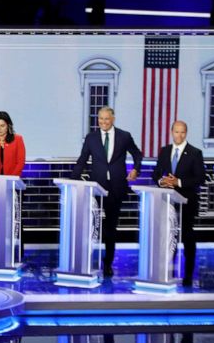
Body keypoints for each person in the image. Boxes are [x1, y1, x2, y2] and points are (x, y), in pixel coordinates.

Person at [71, 106, 142, 277]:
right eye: (100, 119)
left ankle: (108, 263)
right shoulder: (91, 138)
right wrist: (73, 181)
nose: (103, 122)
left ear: (113, 119)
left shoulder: (124, 136)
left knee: (111, 227)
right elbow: (82, 161)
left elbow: (137, 154)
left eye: (106, 119)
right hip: (95, 188)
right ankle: (86, 260)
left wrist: (136, 169)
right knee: (91, 226)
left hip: (116, 188)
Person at [152, 121, 205, 286]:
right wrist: (161, 181)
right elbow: (156, 172)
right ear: (171, 132)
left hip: (187, 202)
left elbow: (200, 178)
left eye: (182, 132)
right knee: (168, 237)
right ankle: (168, 270)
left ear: (186, 133)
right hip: (167, 202)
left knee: (187, 237)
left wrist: (178, 182)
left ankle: (188, 275)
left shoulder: (195, 153)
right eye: (176, 132)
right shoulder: (165, 151)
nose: (179, 135)